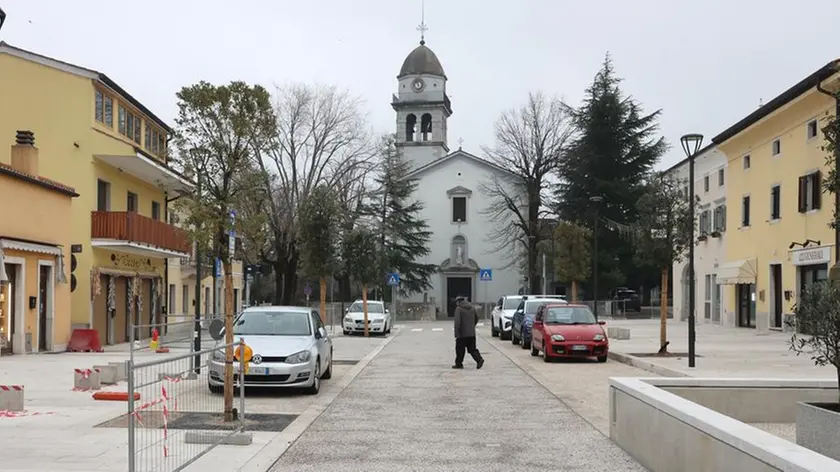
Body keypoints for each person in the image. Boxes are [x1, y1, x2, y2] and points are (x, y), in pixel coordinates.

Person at [452, 296, 484, 369]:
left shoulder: (459, 309)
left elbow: (457, 322)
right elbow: (477, 317)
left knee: (460, 350)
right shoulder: (472, 307)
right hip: (471, 333)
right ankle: (479, 359)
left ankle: (459, 364)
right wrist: (472, 326)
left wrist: (457, 332)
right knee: (472, 349)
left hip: (462, 334)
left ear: (458, 302)